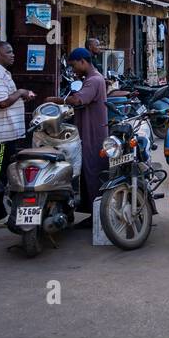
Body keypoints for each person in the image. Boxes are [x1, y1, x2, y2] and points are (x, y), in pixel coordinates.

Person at [0, 42, 35, 227]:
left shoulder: (2, 74)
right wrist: (21, 92)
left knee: (1, 173)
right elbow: (3, 102)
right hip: (1, 135)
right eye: (9, 52)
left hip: (7, 132)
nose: (13, 54)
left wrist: (21, 94)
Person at [64, 47, 107, 224]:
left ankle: (96, 216)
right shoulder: (89, 79)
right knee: (86, 172)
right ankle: (91, 212)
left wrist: (56, 99)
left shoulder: (94, 80)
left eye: (74, 65)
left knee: (92, 171)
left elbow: (78, 100)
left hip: (93, 134)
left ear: (83, 61)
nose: (73, 70)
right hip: (88, 132)